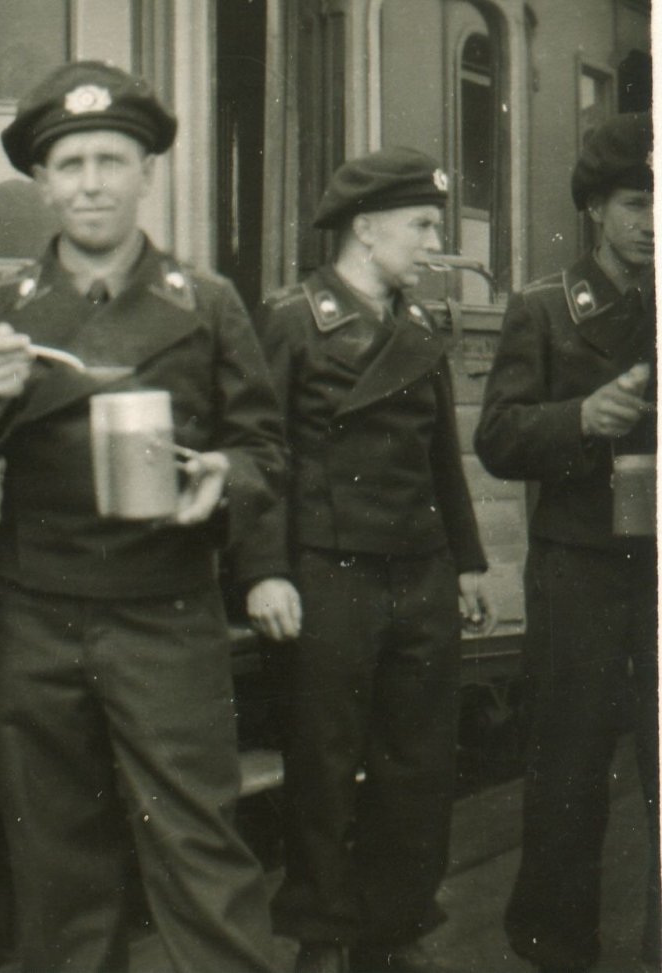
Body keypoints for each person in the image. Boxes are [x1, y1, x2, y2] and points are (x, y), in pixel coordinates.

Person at [0, 60, 285, 973]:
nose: (91, 183)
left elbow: (264, 449)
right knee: (55, 869)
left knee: (200, 854)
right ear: (41, 183)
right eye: (71, 164)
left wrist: (225, 478)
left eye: (111, 160)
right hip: (37, 616)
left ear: (146, 173)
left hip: (166, 612)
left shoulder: (207, 303)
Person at [236, 147, 493, 973]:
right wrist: (264, 570)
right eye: (422, 226)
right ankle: (322, 934)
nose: (434, 245)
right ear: (367, 227)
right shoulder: (291, 320)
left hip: (418, 568)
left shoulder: (417, 326)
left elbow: (439, 455)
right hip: (329, 568)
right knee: (323, 760)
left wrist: (466, 561)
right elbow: (258, 452)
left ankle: (393, 927)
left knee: (417, 761)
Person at [474, 111, 657, 973]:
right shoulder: (545, 307)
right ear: (595, 209)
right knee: (569, 766)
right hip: (579, 568)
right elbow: (498, 438)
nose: (652, 222)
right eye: (636, 203)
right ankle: (555, 949)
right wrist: (581, 417)